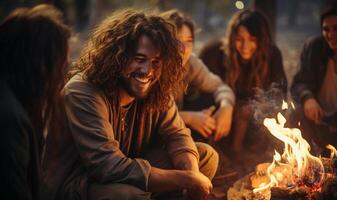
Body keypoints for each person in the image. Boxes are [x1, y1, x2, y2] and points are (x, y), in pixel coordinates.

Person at [42, 9, 218, 200]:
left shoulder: (155, 85)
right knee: (129, 195)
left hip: (128, 170)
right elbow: (107, 166)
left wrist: (191, 174)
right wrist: (184, 180)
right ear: (118, 56)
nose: (147, 71)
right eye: (139, 59)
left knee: (205, 157)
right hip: (79, 183)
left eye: (156, 62)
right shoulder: (83, 91)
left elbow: (177, 135)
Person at [0, 4, 71, 199]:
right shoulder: (9, 120)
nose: (62, 74)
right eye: (59, 64)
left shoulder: (17, 104)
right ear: (40, 63)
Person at [199, 9, 287, 155]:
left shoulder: (272, 55)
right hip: (221, 110)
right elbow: (205, 92)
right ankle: (218, 151)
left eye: (252, 39)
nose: (245, 46)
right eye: (240, 39)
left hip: (254, 117)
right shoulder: (215, 53)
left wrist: (257, 106)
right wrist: (226, 106)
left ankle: (241, 151)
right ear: (233, 38)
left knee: (248, 112)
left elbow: (280, 93)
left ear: (262, 40)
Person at [160, 9, 235, 142]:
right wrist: (190, 118)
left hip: (175, 125)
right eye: (178, 40)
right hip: (153, 136)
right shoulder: (153, 67)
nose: (184, 48)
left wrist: (226, 106)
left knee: (211, 102)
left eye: (189, 41)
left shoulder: (190, 63)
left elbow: (219, 86)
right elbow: (151, 117)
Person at [291, 3, 337, 150]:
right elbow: (299, 83)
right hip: (316, 122)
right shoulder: (315, 48)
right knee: (294, 114)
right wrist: (308, 98)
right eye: (326, 29)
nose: (330, 35)